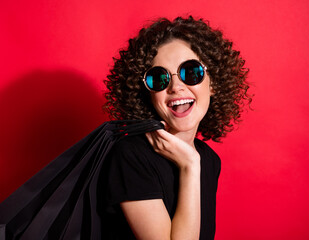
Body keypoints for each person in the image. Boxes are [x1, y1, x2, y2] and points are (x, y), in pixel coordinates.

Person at [99, 16, 252, 240]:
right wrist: (189, 167)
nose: (176, 87)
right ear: (147, 93)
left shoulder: (209, 159)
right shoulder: (130, 155)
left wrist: (193, 162)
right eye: (158, 78)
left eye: (191, 72)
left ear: (214, 83)